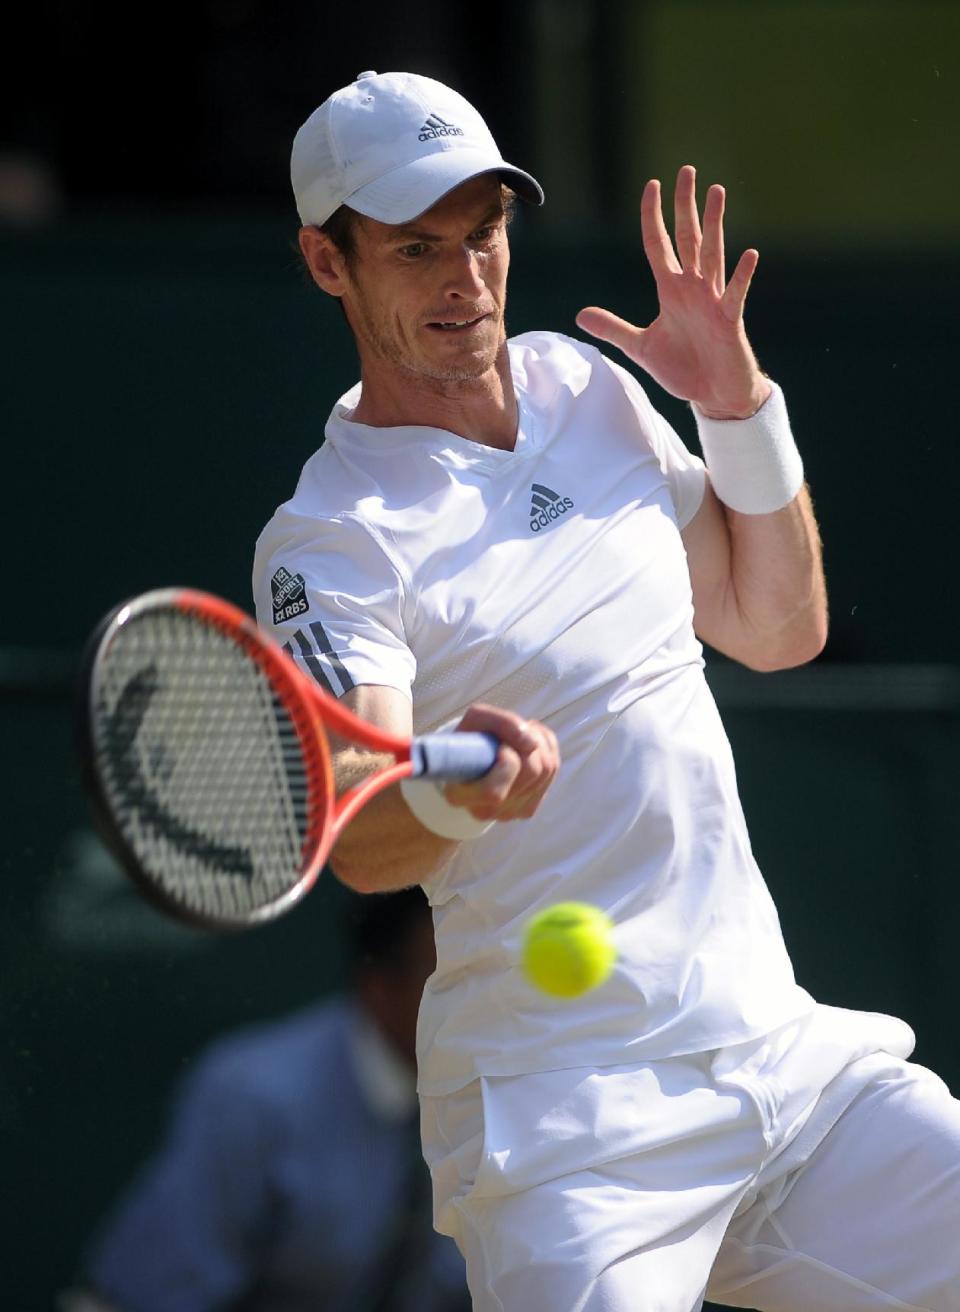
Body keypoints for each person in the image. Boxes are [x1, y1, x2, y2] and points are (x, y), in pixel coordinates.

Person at [252, 71, 960, 1312]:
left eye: (485, 237)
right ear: (328, 262)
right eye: (417, 249)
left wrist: (736, 407)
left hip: (778, 1058)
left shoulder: (588, 388)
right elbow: (362, 839)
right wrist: (471, 797)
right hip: (566, 1125)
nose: (466, 280)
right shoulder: (332, 543)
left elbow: (777, 627)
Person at [64, 889, 471, 1312]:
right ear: (379, 987)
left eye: (486, 976)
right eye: (449, 980)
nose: (477, 1001)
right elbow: (150, 1296)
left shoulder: (514, 1096)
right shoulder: (254, 1097)